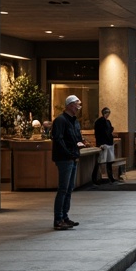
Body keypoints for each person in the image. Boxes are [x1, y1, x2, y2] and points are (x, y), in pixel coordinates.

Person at [51, 95, 84, 230]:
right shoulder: (60, 120)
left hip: (73, 157)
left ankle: (65, 217)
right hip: (64, 158)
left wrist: (80, 143)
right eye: (77, 104)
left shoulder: (74, 121)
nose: (78, 107)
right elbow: (58, 139)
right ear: (70, 105)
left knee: (69, 189)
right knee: (63, 189)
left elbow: (75, 137)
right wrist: (69, 152)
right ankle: (58, 219)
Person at [92, 106, 116, 184]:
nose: (108, 114)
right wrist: (99, 144)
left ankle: (110, 177)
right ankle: (95, 178)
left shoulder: (107, 122)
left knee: (108, 161)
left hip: (108, 142)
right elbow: (99, 133)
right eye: (107, 113)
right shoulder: (100, 122)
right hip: (104, 143)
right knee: (100, 161)